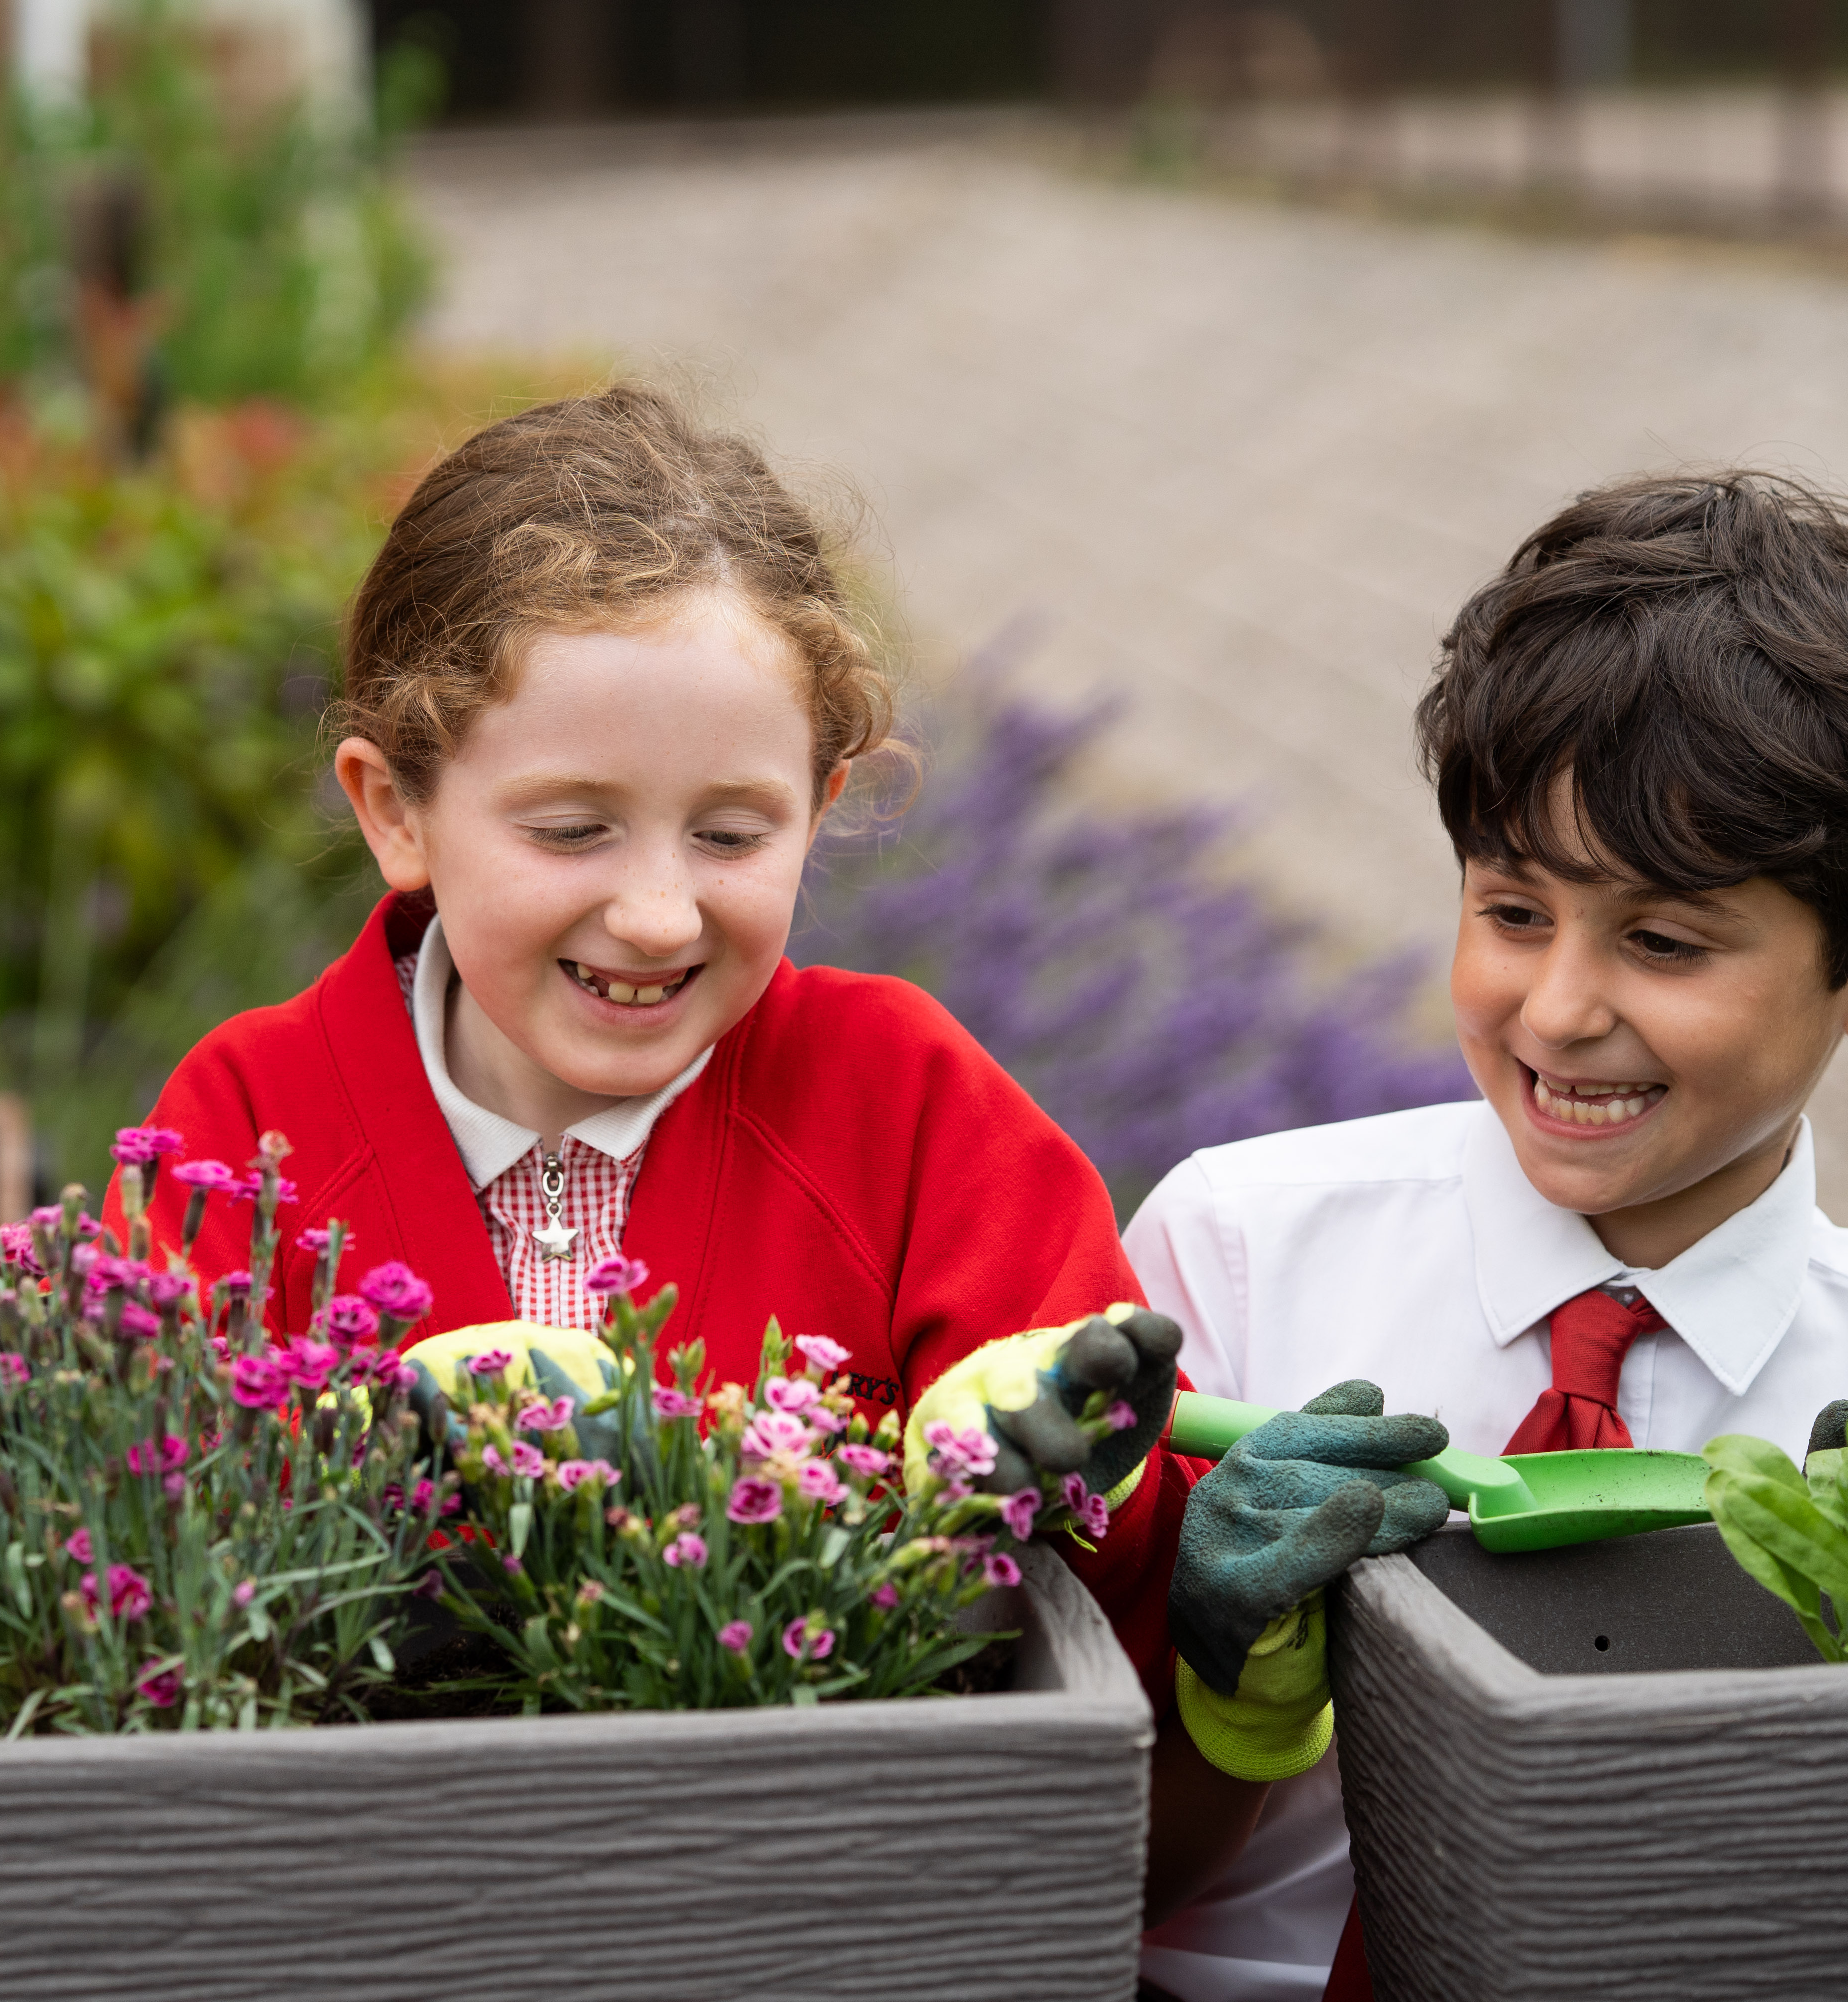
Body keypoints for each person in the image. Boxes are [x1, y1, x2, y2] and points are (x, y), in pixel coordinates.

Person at [112, 385, 1444, 1904]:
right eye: (571, 828)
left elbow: (1136, 1836)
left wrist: (1200, 1603)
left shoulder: (912, 1112)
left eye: (733, 834)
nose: (660, 911)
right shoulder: (244, 1137)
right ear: (395, 808)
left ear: (823, 804)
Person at [1125, 471, 1848, 2002]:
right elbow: (1087, 1862)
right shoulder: (1237, 1251)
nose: (1558, 1011)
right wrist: (1224, 1671)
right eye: (1514, 911)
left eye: (1665, 941)